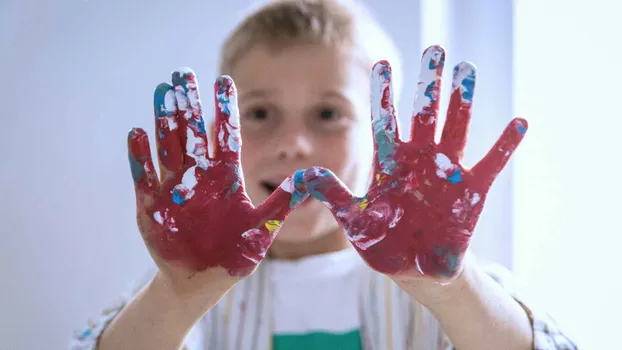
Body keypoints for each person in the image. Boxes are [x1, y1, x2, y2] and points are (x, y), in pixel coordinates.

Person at [70, 0, 577, 349]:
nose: (295, 143)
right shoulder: (181, 285)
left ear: (386, 135)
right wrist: (180, 295)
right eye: (261, 113)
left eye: (329, 114)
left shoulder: (447, 283)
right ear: (217, 134)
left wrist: (451, 287)